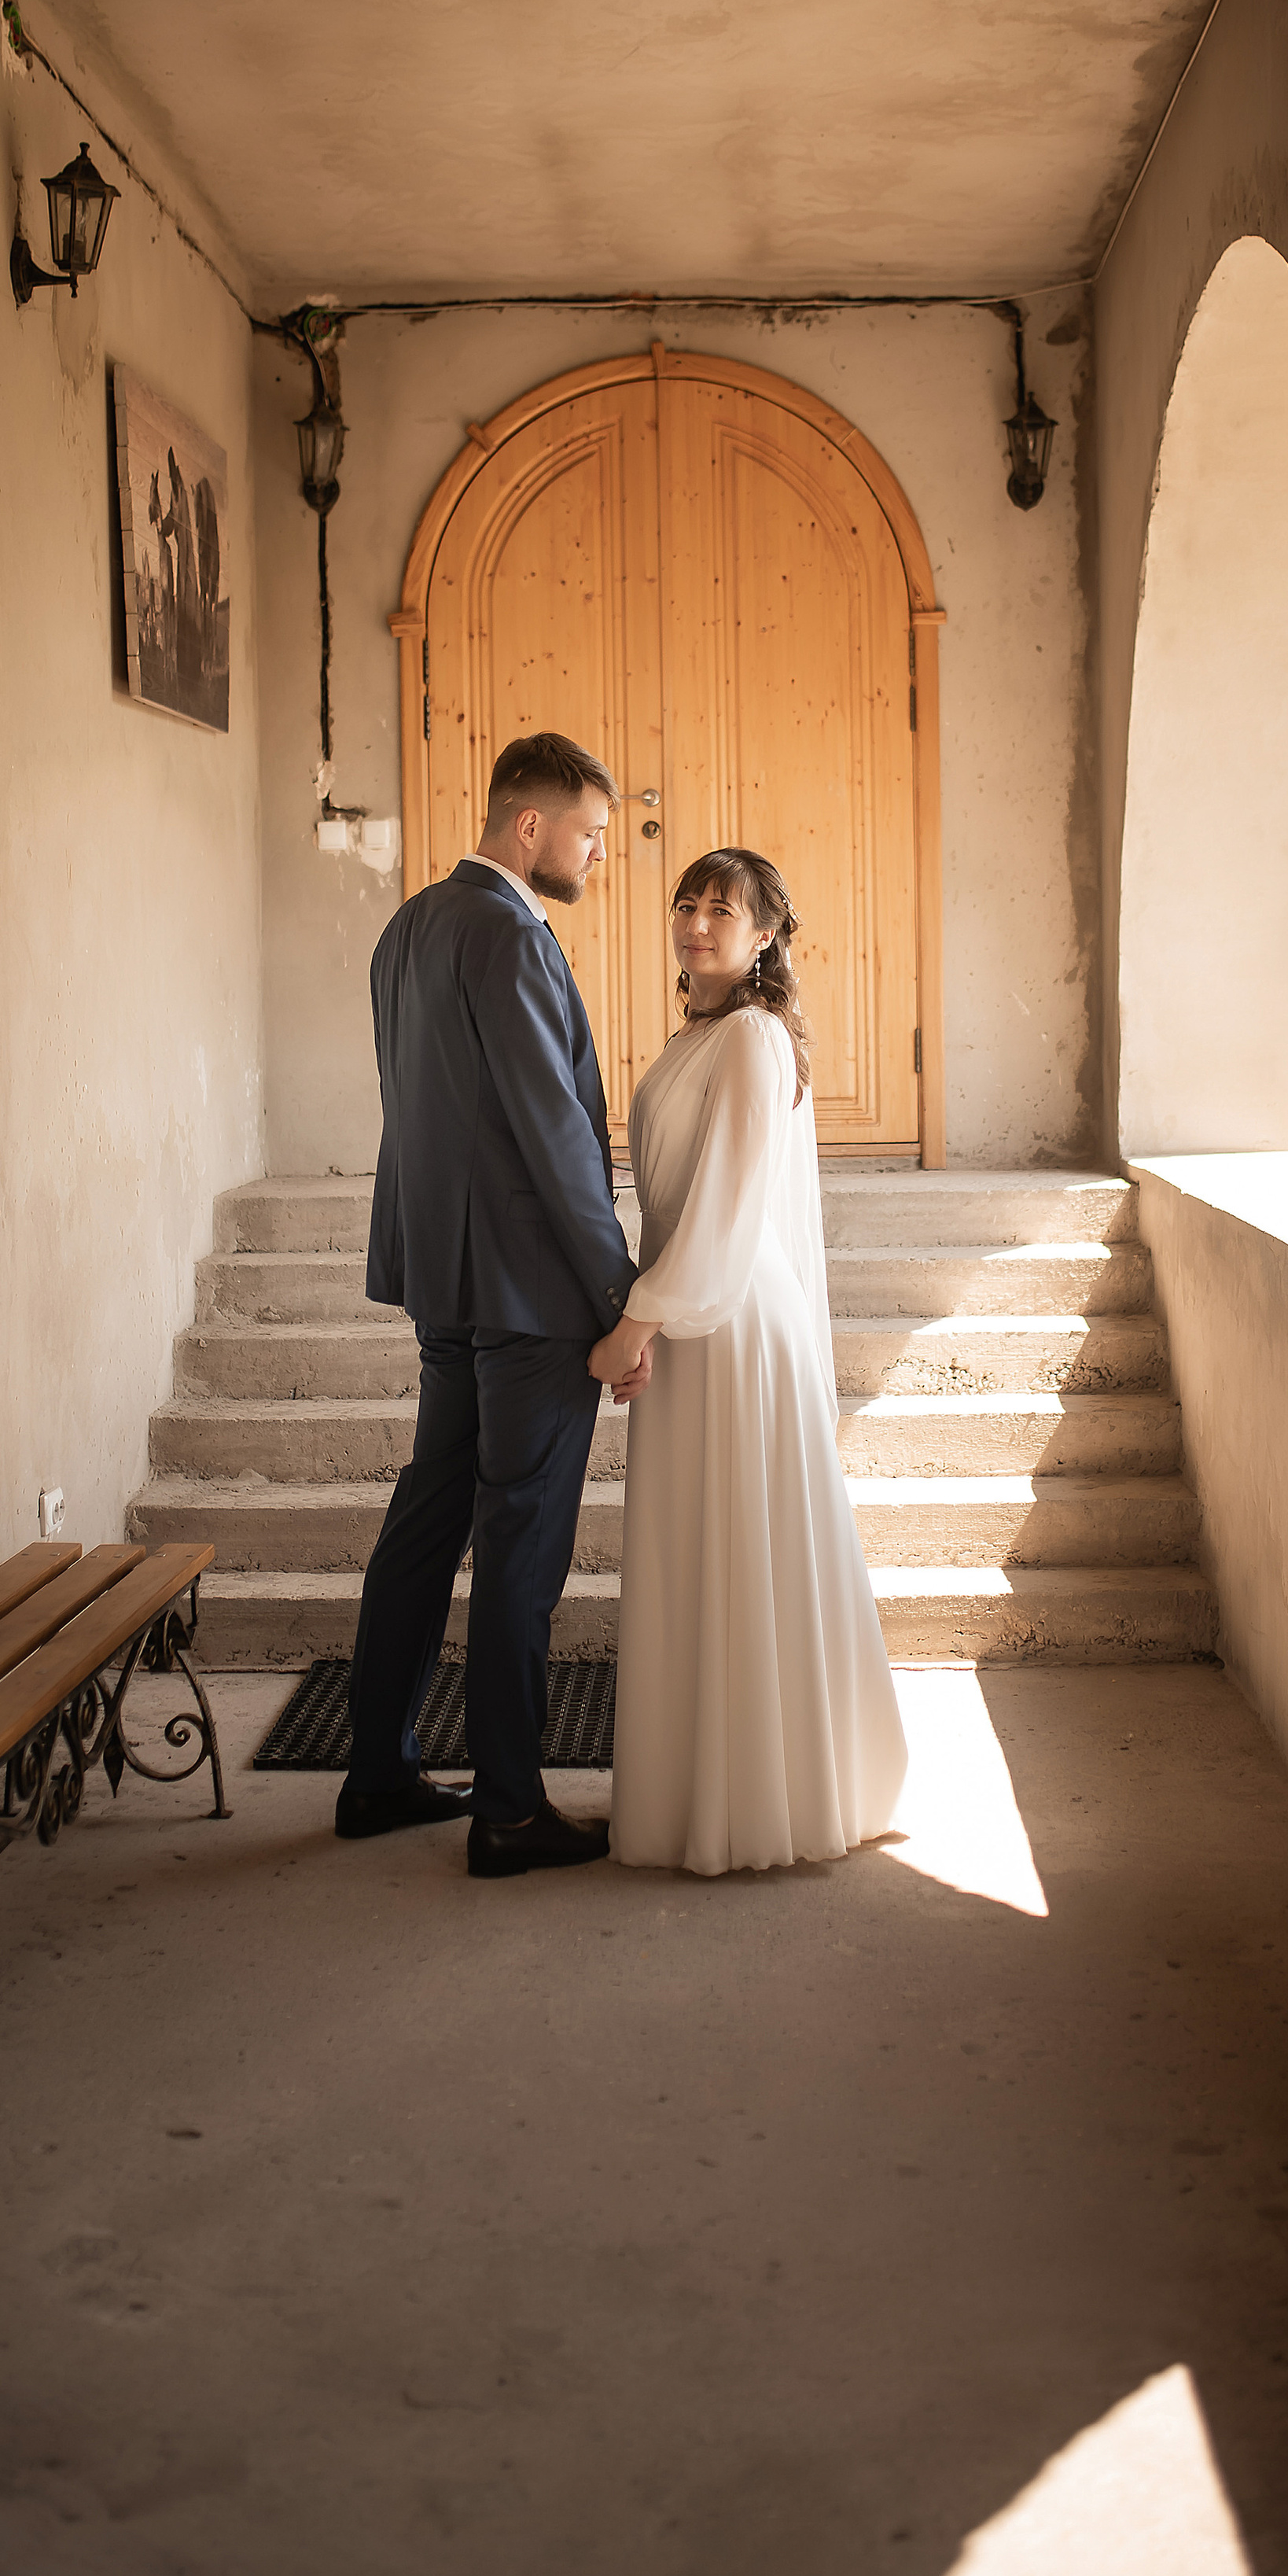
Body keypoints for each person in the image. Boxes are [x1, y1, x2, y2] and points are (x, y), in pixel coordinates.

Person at [340, 732, 648, 1878]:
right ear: (532, 825)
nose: (597, 852)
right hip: (529, 1294)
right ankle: (511, 1809)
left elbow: (422, 1108)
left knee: (429, 1516)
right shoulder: (513, 935)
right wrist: (620, 1296)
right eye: (590, 832)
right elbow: (550, 1131)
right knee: (521, 1543)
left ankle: (378, 1772)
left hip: (444, 1279)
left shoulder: (407, 928)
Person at [591, 850, 909, 1875]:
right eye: (686, 904)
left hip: (728, 1320)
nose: (696, 922)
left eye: (722, 909)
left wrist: (636, 1325)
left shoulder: (755, 1041)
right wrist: (648, 1311)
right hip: (691, 1309)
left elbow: (726, 1216)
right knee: (702, 1551)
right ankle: (698, 1792)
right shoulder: (704, 1035)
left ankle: (757, 1800)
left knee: (738, 1543)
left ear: (768, 933)